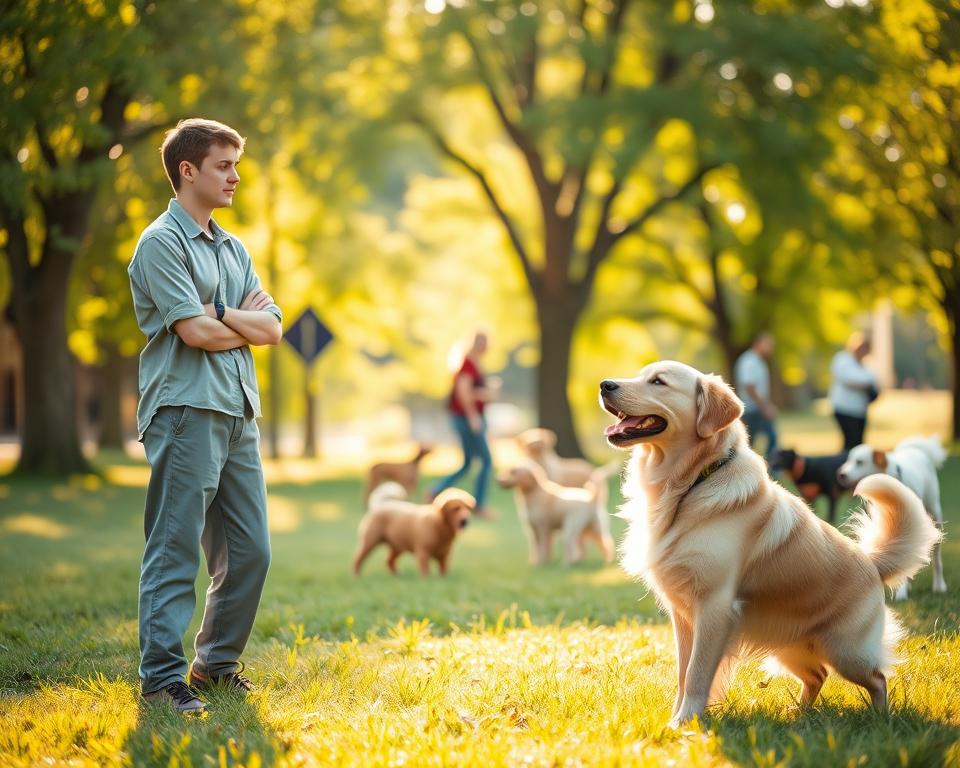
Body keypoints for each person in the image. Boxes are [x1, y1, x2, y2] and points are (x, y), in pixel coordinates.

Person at [128, 118, 282, 713]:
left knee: (252, 552)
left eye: (236, 165)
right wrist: (229, 316)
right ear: (187, 171)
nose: (235, 177)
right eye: (224, 165)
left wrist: (222, 314)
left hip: (240, 413)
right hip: (186, 411)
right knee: (174, 547)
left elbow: (271, 328)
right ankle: (162, 679)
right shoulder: (160, 243)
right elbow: (192, 332)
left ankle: (215, 666)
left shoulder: (233, 247)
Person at [428, 331, 498, 517]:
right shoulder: (467, 364)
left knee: (468, 463)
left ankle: (435, 491)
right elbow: (463, 392)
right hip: (466, 418)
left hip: (469, 417)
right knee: (485, 460)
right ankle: (479, 505)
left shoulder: (474, 364)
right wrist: (473, 416)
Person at [830, 332, 878, 451]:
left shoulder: (865, 365)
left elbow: (874, 380)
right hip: (844, 409)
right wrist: (867, 383)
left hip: (859, 411)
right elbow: (850, 379)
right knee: (850, 442)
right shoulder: (843, 359)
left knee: (858, 443)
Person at [734, 332, 778, 457]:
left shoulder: (758, 361)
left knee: (750, 442)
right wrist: (765, 406)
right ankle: (773, 467)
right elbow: (749, 387)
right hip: (753, 409)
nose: (771, 348)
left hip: (756, 408)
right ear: (758, 343)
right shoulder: (749, 361)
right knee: (770, 437)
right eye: (768, 344)